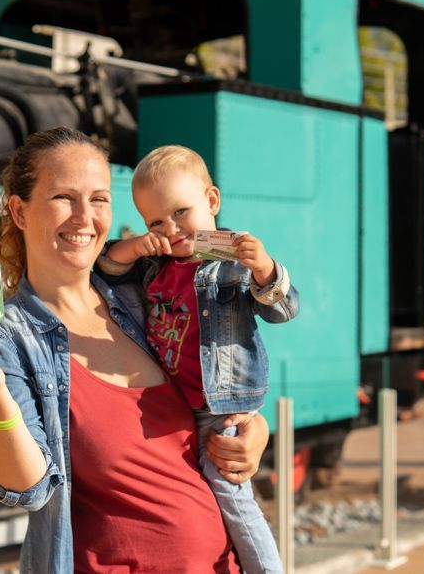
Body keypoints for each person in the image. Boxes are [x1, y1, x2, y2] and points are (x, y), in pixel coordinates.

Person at [0, 127, 270, 573]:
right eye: (63, 197)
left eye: (98, 199)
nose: (84, 217)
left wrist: (253, 429)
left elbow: (209, 377)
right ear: (19, 211)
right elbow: (30, 487)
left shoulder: (145, 296)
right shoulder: (6, 336)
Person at [95, 145, 299, 574]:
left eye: (181, 212)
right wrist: (137, 244)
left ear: (212, 201)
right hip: (176, 402)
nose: (171, 228)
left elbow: (282, 310)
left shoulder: (226, 256)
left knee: (229, 489)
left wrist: (264, 270)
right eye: (156, 221)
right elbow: (106, 268)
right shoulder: (155, 264)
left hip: (218, 400)